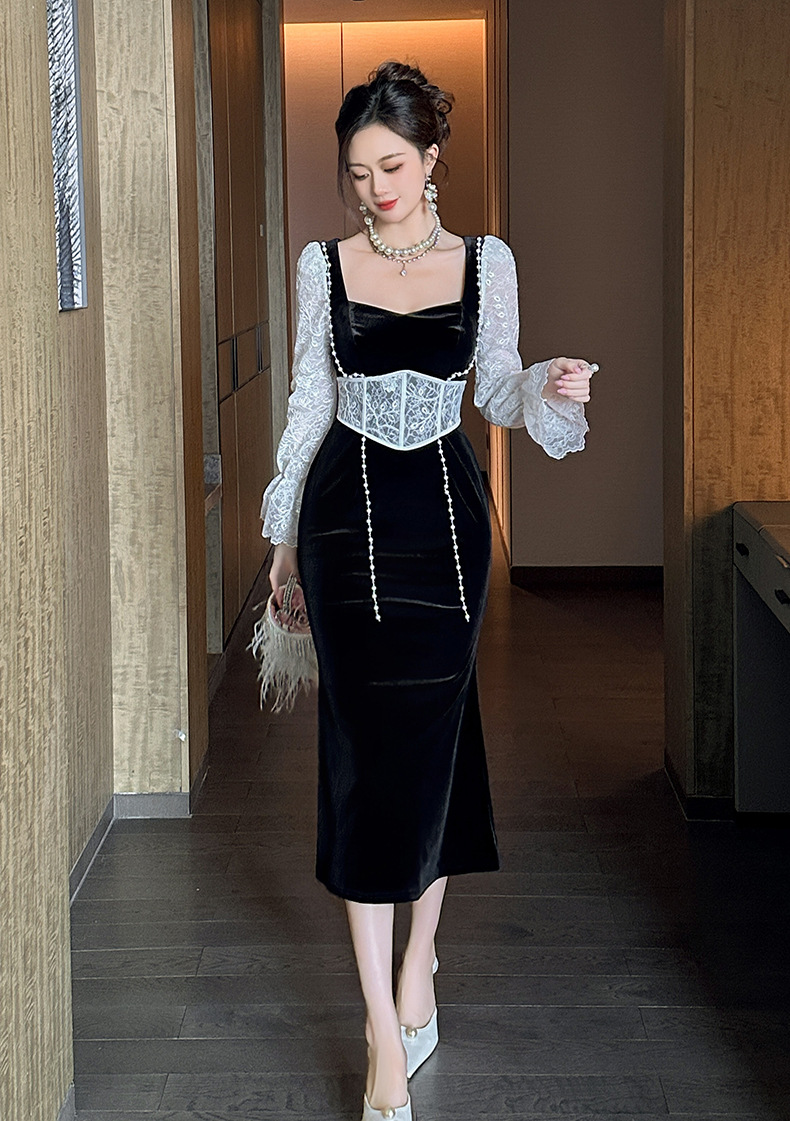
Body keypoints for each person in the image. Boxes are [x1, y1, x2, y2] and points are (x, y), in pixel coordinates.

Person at [260, 60, 595, 1121]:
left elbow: (494, 386)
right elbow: (311, 401)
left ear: (431, 156)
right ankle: (380, 1029)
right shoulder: (322, 266)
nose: (374, 190)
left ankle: (419, 964)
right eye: (357, 173)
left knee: (435, 746)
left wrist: (545, 384)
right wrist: (280, 540)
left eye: (392, 168)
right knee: (362, 759)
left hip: (448, 528)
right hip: (343, 525)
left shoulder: (486, 261)